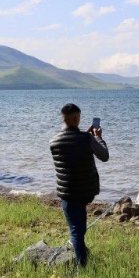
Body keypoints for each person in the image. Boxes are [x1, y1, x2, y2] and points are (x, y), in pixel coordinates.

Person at [49, 103, 109, 266]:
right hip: (85, 191)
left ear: (63, 118)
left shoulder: (53, 141)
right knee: (77, 230)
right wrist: (97, 137)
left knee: (76, 228)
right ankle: (82, 265)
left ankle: (81, 257)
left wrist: (87, 137)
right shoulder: (87, 138)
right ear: (77, 118)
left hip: (67, 192)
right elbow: (104, 156)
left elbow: (71, 151)